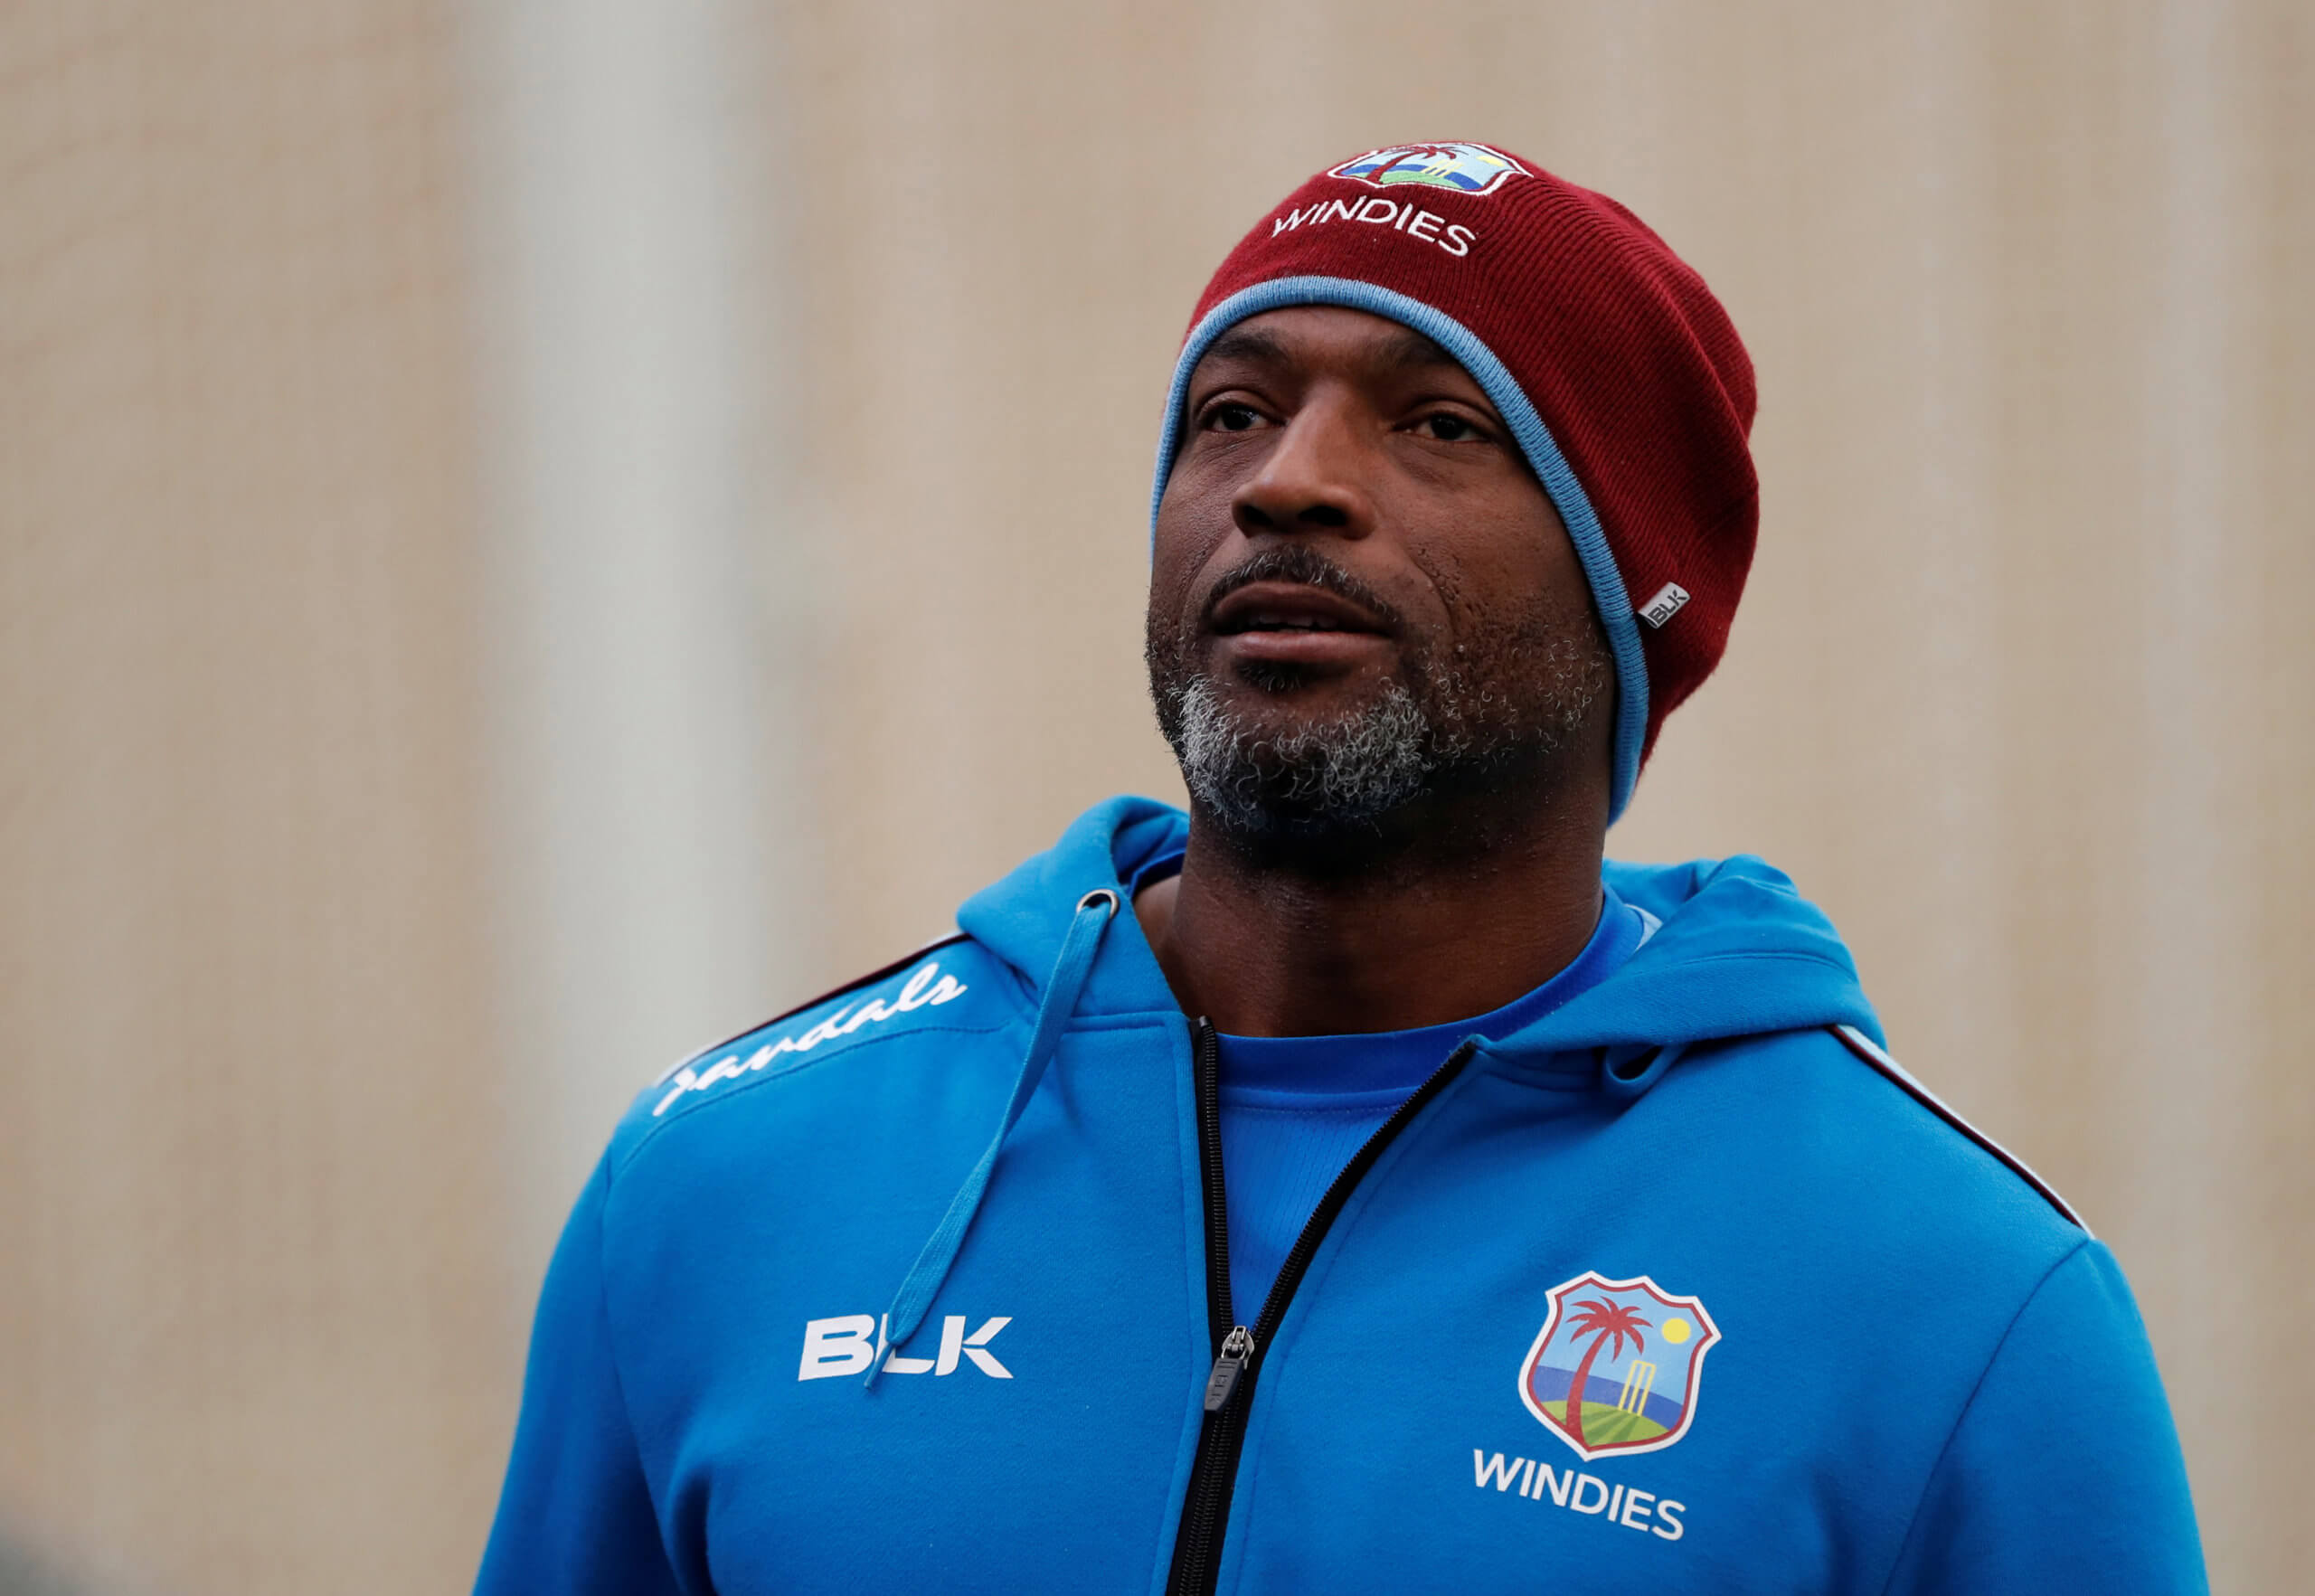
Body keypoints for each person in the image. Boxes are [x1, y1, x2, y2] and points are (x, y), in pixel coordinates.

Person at [474, 141, 2205, 1594]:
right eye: (1230, 413)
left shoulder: (1957, 1302)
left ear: (1633, 596)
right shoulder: (721, 1185)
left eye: (1441, 423)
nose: (1286, 481)